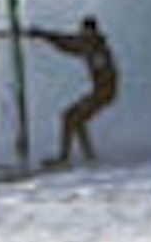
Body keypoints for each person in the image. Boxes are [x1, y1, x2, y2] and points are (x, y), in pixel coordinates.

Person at [27, 15, 118, 167]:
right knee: (77, 120)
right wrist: (44, 35)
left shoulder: (98, 50)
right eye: (83, 32)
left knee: (69, 117)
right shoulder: (90, 45)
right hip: (100, 93)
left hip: (104, 93)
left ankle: (64, 158)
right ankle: (90, 156)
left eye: (88, 32)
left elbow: (71, 47)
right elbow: (67, 43)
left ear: (95, 32)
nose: (85, 35)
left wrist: (46, 37)